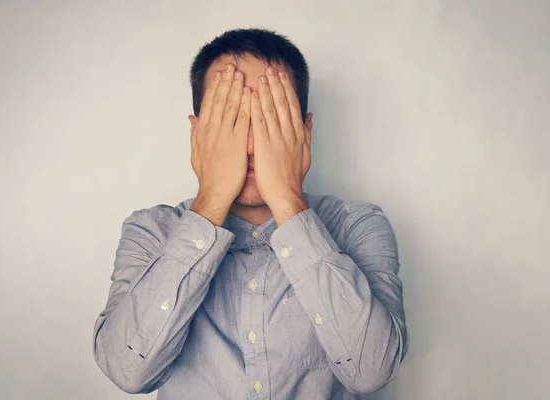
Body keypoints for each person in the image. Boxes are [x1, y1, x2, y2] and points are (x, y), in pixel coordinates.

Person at [92, 27, 408, 399]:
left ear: (305, 132)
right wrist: (211, 199)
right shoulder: (151, 231)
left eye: (271, 117)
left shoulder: (358, 226)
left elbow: (372, 371)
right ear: (197, 135)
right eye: (231, 119)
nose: (253, 143)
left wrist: (288, 199)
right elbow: (128, 372)